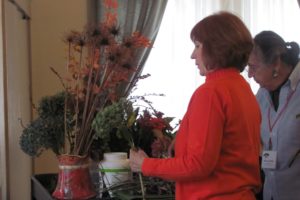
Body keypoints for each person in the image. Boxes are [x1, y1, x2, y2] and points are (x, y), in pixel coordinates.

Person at [129, 11, 262, 199]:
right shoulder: (242, 88)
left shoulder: (211, 92)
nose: (193, 55)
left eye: (198, 46)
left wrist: (144, 165)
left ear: (217, 48)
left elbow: (198, 165)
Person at [247, 30, 300, 200]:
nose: (249, 74)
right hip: (270, 192)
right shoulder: (261, 94)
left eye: (254, 67)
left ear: (276, 63)